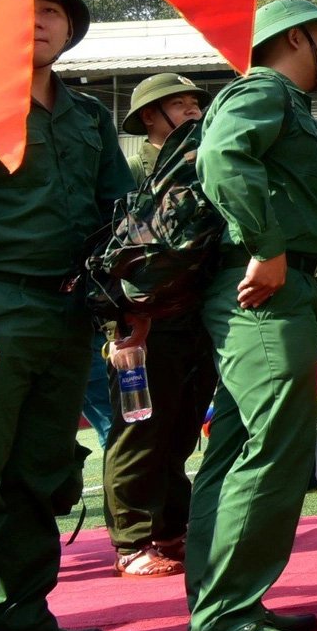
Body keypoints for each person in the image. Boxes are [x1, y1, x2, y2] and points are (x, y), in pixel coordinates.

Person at [0, 0, 131, 631]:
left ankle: (22, 615)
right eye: (27, 11)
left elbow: (120, 212)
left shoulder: (88, 117)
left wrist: (131, 300)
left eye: (55, 12)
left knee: (41, 476)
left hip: (69, 316)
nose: (41, 22)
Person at [184, 0, 317, 631]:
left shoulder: (280, 101)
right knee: (273, 443)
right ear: (297, 39)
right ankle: (224, 616)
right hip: (265, 288)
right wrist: (267, 243)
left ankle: (225, 602)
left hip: (268, 286)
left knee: (232, 448)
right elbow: (222, 159)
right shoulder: (264, 89)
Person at [103, 73, 216, 580]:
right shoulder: (131, 174)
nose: (193, 111)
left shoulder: (204, 165)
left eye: (196, 103)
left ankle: (170, 527)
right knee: (139, 428)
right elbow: (113, 253)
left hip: (193, 318)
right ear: (149, 116)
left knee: (180, 429)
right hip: (142, 322)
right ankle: (130, 541)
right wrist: (122, 324)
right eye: (179, 104)